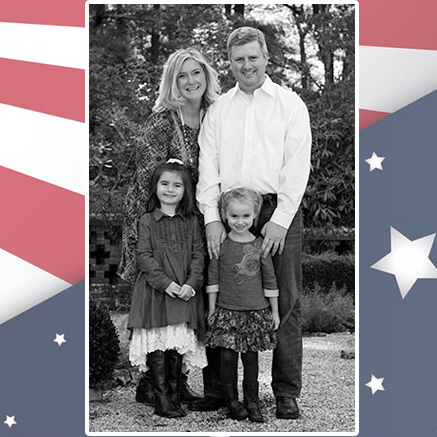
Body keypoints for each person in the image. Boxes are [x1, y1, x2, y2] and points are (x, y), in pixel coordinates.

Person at [196, 26, 311, 420]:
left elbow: (297, 167)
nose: (246, 65)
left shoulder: (290, 105)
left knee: (286, 298)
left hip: (275, 211)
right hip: (227, 212)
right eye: (238, 59)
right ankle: (222, 390)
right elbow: (207, 166)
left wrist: (279, 221)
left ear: (266, 57)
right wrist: (212, 218)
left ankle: (285, 392)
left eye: (252, 57)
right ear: (229, 63)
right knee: (220, 294)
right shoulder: (218, 110)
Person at [118, 47, 221, 407]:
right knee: (160, 295)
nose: (191, 81)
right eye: (182, 75)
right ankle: (154, 384)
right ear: (171, 81)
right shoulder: (161, 121)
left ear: (207, 76)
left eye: (196, 73)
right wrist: (154, 234)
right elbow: (150, 181)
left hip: (195, 222)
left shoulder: (216, 115)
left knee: (188, 300)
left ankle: (177, 380)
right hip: (159, 222)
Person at [126, 160, 208, 418]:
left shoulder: (192, 221)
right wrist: (166, 284)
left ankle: (174, 394)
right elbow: (144, 257)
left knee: (177, 342)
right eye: (164, 184)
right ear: (155, 187)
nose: (170, 189)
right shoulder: (147, 220)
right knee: (159, 343)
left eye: (177, 185)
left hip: (184, 292)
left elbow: (198, 254)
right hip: (156, 292)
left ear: (186, 190)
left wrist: (191, 285)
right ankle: (160, 397)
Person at [203, 188, 279, 422]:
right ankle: (232, 401)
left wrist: (274, 311)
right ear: (224, 215)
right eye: (234, 216)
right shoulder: (221, 245)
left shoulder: (260, 245)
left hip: (255, 312)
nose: (240, 221)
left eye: (246, 216)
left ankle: (252, 402)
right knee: (227, 358)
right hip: (227, 311)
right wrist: (212, 309)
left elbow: (270, 280)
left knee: (250, 359)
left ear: (255, 215)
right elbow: (213, 279)